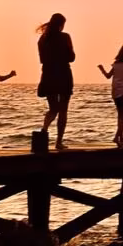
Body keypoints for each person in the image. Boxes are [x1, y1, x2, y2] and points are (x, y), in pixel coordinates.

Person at [36, 13, 75, 150]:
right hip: (63, 74)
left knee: (53, 108)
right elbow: (71, 57)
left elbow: (42, 59)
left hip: (48, 75)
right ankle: (58, 142)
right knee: (63, 109)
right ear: (61, 24)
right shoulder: (65, 37)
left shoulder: (43, 39)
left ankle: (44, 129)